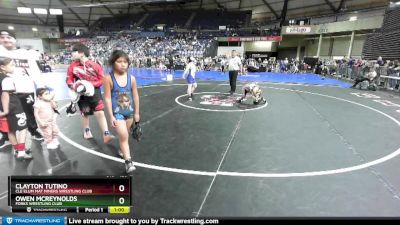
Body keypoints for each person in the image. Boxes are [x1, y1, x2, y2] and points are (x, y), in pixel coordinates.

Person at [0, 30, 44, 143]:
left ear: (15, 40)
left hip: (26, 90)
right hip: (6, 92)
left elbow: (35, 72)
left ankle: (33, 131)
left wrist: (40, 87)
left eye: (8, 37)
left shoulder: (25, 53)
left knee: (29, 113)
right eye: (2, 37)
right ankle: (5, 135)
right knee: (6, 114)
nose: (5, 39)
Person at [66, 43, 114, 143]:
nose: (71, 54)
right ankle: (86, 130)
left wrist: (88, 85)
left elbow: (102, 79)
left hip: (94, 92)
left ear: (81, 53)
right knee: (85, 113)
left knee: (100, 112)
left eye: (73, 52)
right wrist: (74, 86)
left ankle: (106, 133)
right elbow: (69, 79)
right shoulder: (72, 66)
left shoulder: (95, 65)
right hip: (81, 94)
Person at [103, 50, 140, 173]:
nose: (123, 64)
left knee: (126, 135)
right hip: (117, 112)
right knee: (123, 135)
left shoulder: (132, 79)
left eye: (125, 62)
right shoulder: (108, 78)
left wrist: (137, 113)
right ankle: (128, 162)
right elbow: (107, 98)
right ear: (113, 63)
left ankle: (121, 150)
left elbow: (135, 96)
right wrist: (111, 116)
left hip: (129, 113)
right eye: (119, 61)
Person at [0, 56, 31, 159]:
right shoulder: (6, 79)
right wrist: (6, 110)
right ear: (3, 67)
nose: (13, 67)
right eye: (12, 65)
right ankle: (21, 151)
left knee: (10, 129)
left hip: (3, 106)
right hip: (12, 105)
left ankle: (17, 150)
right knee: (23, 127)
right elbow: (5, 94)